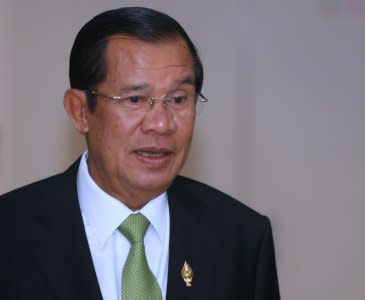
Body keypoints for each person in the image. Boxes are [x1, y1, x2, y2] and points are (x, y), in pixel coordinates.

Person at [0, 7, 280, 300]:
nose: (161, 123)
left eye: (178, 99)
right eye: (135, 99)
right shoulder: (9, 233)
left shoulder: (240, 238)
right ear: (80, 111)